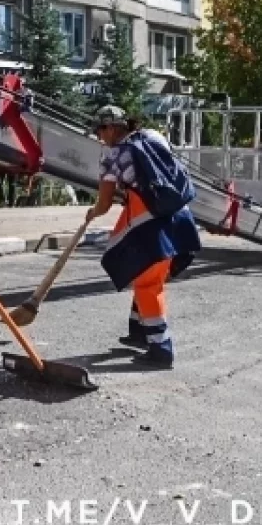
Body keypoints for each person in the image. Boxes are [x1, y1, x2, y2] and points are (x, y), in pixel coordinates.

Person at [82, 105, 200, 368]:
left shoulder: (113, 155)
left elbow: (103, 205)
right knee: (146, 272)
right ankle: (139, 330)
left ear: (112, 128)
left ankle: (161, 348)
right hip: (179, 217)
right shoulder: (153, 136)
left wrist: (92, 213)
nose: (100, 137)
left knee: (147, 283)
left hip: (152, 226)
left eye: (100, 130)